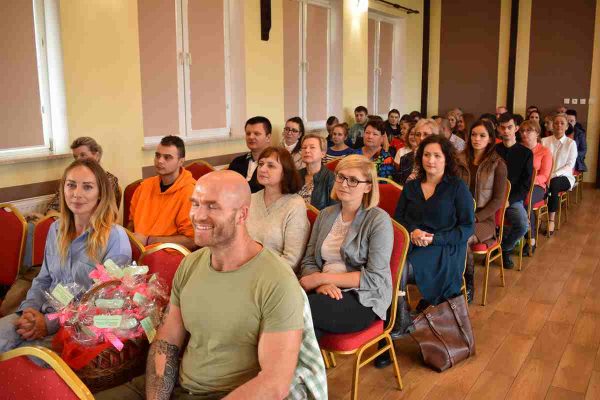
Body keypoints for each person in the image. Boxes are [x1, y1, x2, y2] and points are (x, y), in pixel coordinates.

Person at [96, 170, 327, 400]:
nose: (197, 215)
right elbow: (167, 341)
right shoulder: (191, 264)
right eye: (195, 204)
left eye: (212, 206)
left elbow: (274, 384)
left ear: (242, 214)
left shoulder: (277, 280)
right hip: (177, 385)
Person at [0, 159, 131, 353]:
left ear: (100, 194)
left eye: (87, 187)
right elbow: (43, 279)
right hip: (40, 313)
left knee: (23, 361)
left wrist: (48, 323)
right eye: (71, 185)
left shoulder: (115, 238)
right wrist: (30, 311)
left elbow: (105, 305)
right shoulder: (56, 229)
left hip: (77, 330)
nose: (77, 194)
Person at [299, 155, 393, 341]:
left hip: (362, 297)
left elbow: (374, 278)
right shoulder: (325, 215)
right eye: (341, 177)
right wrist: (322, 285)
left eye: (353, 180)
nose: (343, 184)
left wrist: (321, 278)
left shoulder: (378, 220)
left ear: (368, 187)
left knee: (295, 312)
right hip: (323, 291)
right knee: (301, 326)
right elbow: (309, 260)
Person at [394, 134, 474, 309]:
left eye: (437, 156)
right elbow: (398, 219)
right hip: (412, 242)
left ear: (447, 159)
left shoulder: (457, 187)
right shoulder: (411, 186)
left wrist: (434, 239)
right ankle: (396, 311)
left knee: (401, 266)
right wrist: (412, 231)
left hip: (444, 246)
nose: (431, 160)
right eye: (426, 155)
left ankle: (400, 312)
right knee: (386, 261)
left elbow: (467, 227)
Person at [457, 120, 507, 302]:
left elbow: (498, 200)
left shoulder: (498, 164)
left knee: (463, 238)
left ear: (491, 139)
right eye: (473, 135)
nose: (476, 139)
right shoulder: (459, 159)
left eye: (482, 135)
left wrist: (476, 217)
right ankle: (447, 282)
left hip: (484, 220)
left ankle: (468, 283)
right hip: (459, 215)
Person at [247, 147, 310, 273]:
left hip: (274, 274)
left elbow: (292, 260)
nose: (262, 169)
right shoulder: (250, 199)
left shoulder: (295, 205)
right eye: (261, 164)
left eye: (271, 166)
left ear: (285, 172)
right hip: (244, 268)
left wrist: (256, 272)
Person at [128, 135, 196, 251]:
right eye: (157, 155)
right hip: (138, 252)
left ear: (181, 161)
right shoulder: (144, 187)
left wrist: (149, 240)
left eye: (167, 157)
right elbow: (131, 224)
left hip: (169, 255)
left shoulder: (189, 192)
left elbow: (192, 241)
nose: (160, 161)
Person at [495, 113, 533, 269]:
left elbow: (525, 184)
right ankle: (491, 247)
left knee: (523, 225)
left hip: (512, 199)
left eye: (509, 127)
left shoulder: (526, 153)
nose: (506, 131)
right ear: (498, 129)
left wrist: (509, 200)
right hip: (491, 197)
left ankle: (505, 248)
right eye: (502, 127)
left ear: (516, 128)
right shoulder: (493, 150)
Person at [46, 137, 121, 213]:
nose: (78, 160)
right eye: (75, 157)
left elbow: (105, 211)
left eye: (83, 155)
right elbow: (53, 207)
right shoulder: (71, 179)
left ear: (97, 156)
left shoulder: (109, 180)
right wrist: (52, 217)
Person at [541, 113, 577, 235]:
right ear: (552, 125)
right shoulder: (544, 141)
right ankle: (538, 216)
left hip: (564, 177)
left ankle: (551, 219)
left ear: (567, 126)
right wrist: (546, 175)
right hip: (546, 176)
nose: (559, 125)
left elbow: (569, 165)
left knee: (554, 184)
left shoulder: (571, 143)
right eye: (556, 123)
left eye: (562, 123)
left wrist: (553, 174)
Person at [520, 120, 552, 254]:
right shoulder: (518, 149)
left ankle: (530, 238)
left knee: (527, 200)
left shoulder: (544, 151)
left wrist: (530, 182)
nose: (524, 133)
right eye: (522, 131)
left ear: (537, 133)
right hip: (520, 185)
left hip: (538, 186)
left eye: (528, 130)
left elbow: (544, 176)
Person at [228, 116, 272, 193]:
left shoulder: (275, 164)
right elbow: (228, 187)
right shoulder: (237, 162)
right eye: (248, 134)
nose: (251, 137)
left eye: (256, 134)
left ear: (268, 137)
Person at [394, 118, 439, 185]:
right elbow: (399, 185)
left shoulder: (441, 158)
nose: (421, 138)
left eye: (425, 134)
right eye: (418, 135)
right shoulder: (405, 158)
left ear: (434, 136)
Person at [298, 134, 336, 210]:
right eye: (304, 147)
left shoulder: (332, 178)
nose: (307, 150)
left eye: (312, 147)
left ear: (323, 153)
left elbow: (334, 211)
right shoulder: (295, 175)